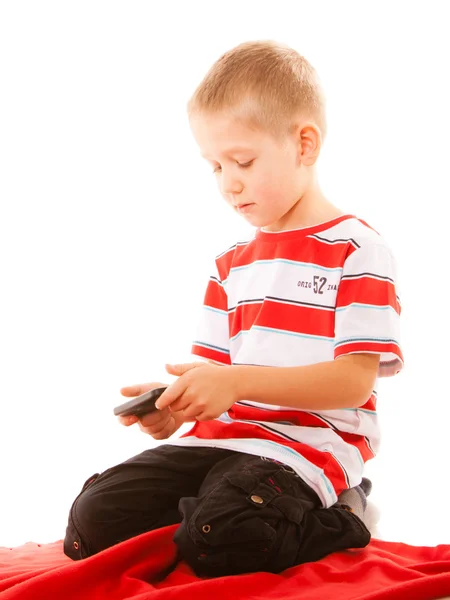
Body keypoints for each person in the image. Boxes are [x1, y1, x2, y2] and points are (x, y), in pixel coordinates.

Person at [63, 40, 403, 577]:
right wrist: (177, 407)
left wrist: (238, 383)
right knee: (90, 524)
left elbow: (354, 383)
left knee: (225, 543)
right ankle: (218, 509)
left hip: (305, 450)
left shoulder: (357, 251)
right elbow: (217, 378)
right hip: (224, 441)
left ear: (305, 144)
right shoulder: (229, 264)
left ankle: (346, 509)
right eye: (215, 166)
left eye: (242, 161)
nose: (228, 183)